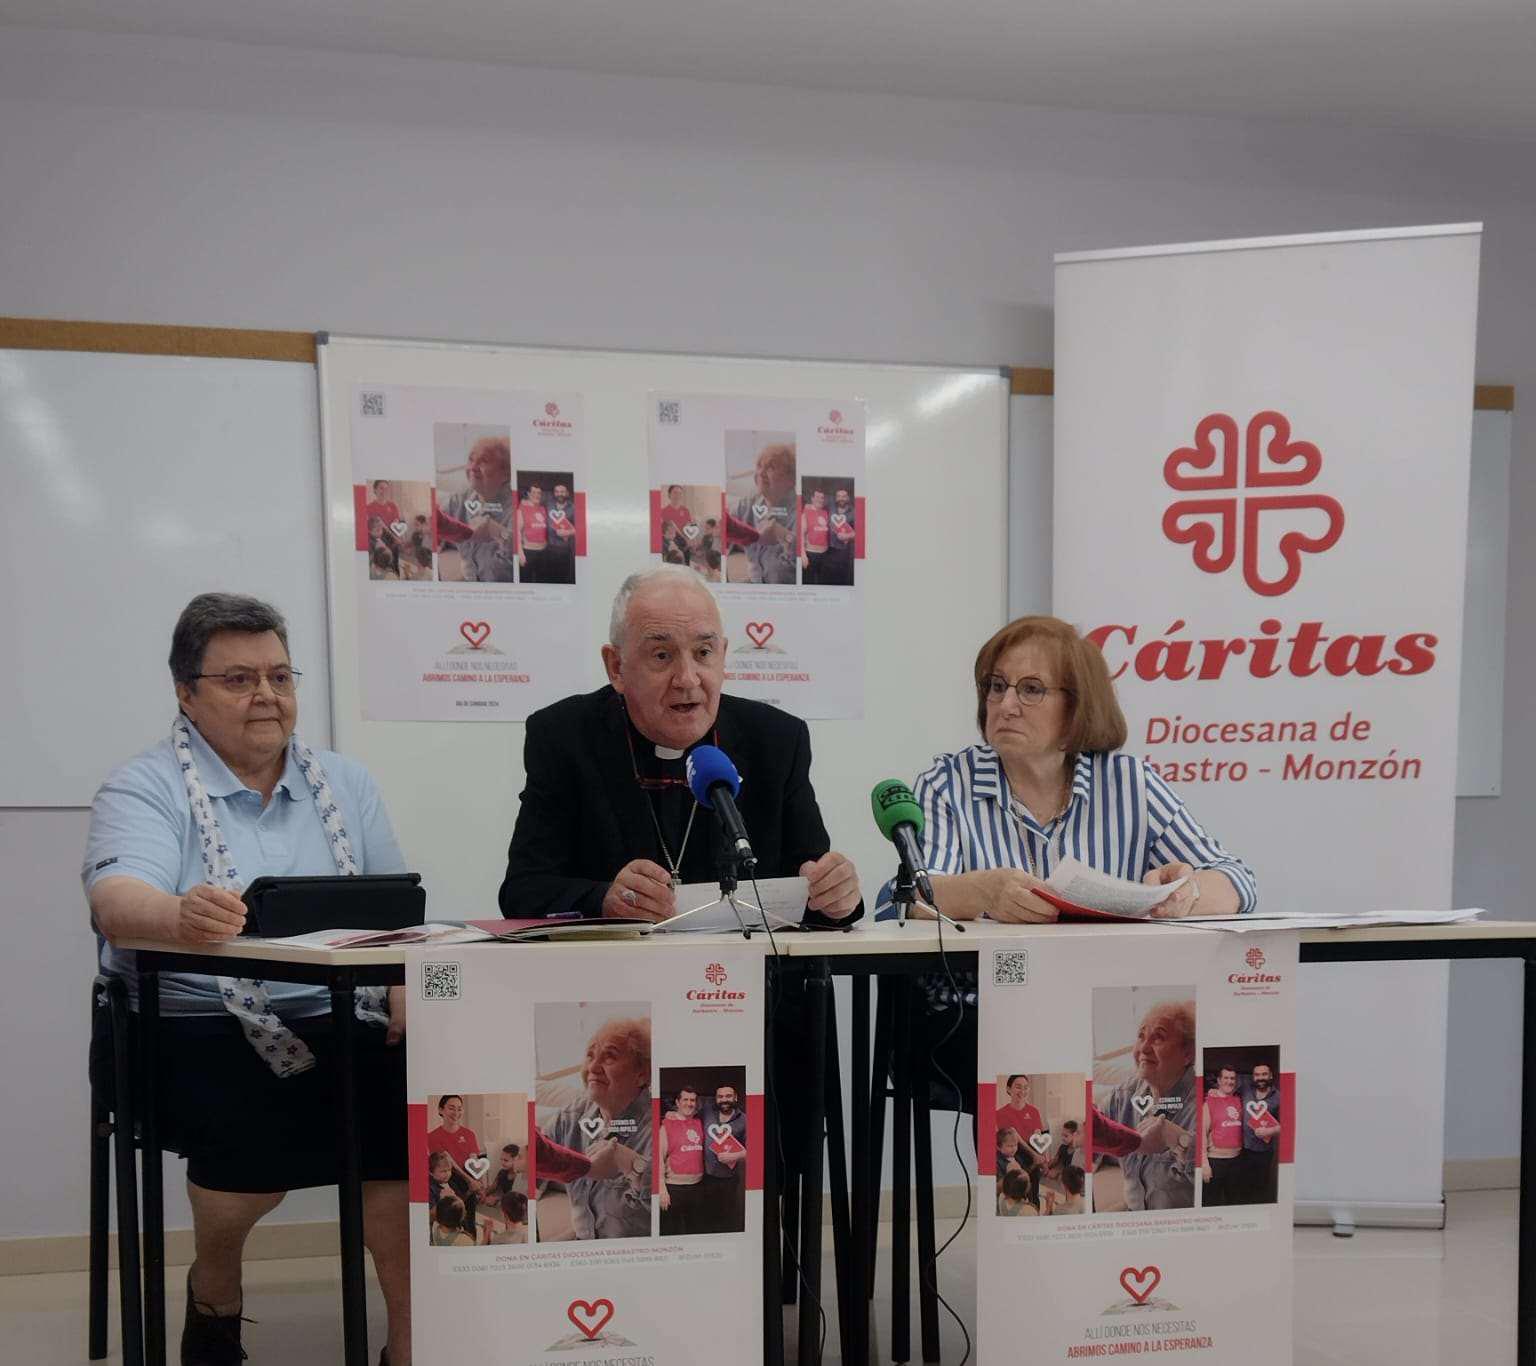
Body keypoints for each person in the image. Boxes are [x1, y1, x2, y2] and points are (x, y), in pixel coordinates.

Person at [83, 592, 412, 1366]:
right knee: (250, 1159)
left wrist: (404, 984)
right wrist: (177, 917)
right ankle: (217, 1290)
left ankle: (409, 1344)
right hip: (193, 1024)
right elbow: (115, 903)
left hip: (343, 1012)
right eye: (237, 680)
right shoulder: (145, 785)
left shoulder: (345, 781)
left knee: (410, 1142)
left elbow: (399, 906)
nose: (265, 695)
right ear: (186, 694)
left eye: (279, 675)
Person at [875, 615, 1256, 1108]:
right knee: (1047, 1052)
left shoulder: (1129, 783)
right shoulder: (950, 783)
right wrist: (984, 891)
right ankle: (1046, 1176)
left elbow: (1238, 880)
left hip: (1103, 1006)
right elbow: (916, 899)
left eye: (1030, 690)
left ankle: (1150, 1170)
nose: (1006, 704)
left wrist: (1187, 892)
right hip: (982, 1015)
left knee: (1176, 1043)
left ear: (1077, 708)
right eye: (996, 687)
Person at [498, 564, 861, 925]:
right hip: (615, 976)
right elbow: (523, 891)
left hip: (747, 975)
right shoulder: (564, 737)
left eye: (704, 653)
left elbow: (812, 888)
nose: (687, 679)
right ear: (616, 667)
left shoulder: (777, 741)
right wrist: (604, 899)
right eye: (662, 656)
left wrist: (836, 895)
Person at [540, 1016, 653, 1239]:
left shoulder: (658, 1125)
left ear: (642, 1074)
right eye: (590, 1056)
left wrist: (631, 1164)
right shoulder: (572, 1116)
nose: (592, 1067)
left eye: (609, 1057)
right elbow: (536, 1154)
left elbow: (675, 1211)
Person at [1098, 999, 1199, 1211]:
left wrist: (1176, 1139)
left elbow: (1217, 1178)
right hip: (1133, 1212)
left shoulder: (1204, 1101)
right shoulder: (1122, 1096)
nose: (1144, 1048)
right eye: (1141, 1036)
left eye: (1158, 1038)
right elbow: (1092, 1132)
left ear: (1188, 1053)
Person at [438, 436, 516, 582]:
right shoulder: (458, 501)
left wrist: (500, 533)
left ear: (506, 473)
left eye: (484, 461)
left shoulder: (517, 508)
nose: (473, 467)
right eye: (471, 459)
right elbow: (432, 522)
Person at [730, 443, 796, 584]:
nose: (760, 473)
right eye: (759, 466)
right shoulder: (747, 504)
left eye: (771, 467)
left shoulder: (800, 511)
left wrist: (785, 536)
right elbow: (722, 525)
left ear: (791, 479)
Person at [658, 1086, 708, 1236]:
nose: (689, 1103)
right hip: (674, 1188)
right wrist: (662, 1189)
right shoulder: (666, 1125)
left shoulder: (699, 1123)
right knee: (672, 1232)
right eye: (685, 1099)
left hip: (697, 1186)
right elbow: (659, 1158)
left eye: (692, 1100)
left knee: (695, 1230)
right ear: (677, 1102)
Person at [700, 1083, 748, 1233]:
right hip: (705, 1177)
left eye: (728, 1096)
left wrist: (734, 1155)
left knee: (728, 1218)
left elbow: (755, 1149)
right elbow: (687, 1113)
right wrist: (673, 1113)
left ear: (735, 1097)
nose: (724, 1099)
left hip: (729, 1179)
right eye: (720, 1097)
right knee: (706, 1218)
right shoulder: (707, 1111)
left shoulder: (745, 1120)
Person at [1200, 1066, 1246, 1205]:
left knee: (1234, 1201)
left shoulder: (1239, 1100)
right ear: (1219, 1081)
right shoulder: (1209, 1102)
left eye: (1232, 1078)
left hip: (1237, 1160)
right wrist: (1204, 1164)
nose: (1229, 1081)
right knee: (1211, 1202)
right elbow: (1201, 1133)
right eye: (1226, 1078)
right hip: (1215, 1161)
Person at [1239, 1062, 1283, 1202]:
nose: (1260, 1077)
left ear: (1270, 1075)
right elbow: (1225, 1091)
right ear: (1253, 1077)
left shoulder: (1279, 1097)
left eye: (1264, 1074)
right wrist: (1213, 1091)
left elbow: (1288, 1124)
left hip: (1264, 1151)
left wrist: (1269, 1130)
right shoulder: (1245, 1090)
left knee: (1260, 1187)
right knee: (1242, 1185)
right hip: (1243, 1149)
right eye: (1257, 1075)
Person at [997, 1075, 1045, 1149]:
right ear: (1008, 1089)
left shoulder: (1034, 1111)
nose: (1022, 1091)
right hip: (1014, 1153)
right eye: (1018, 1087)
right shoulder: (1000, 1114)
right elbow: (1008, 1142)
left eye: (1025, 1088)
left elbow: (1039, 1137)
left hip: (1034, 1150)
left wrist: (1043, 1156)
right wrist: (1034, 1155)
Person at [821, 487, 856, 586]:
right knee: (826, 578)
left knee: (841, 578)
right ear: (835, 498)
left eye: (844, 496)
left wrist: (847, 535)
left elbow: (859, 532)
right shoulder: (830, 507)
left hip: (843, 551)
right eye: (839, 496)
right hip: (827, 549)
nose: (841, 498)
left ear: (848, 498)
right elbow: (817, 507)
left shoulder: (854, 512)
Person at [545, 482, 578, 584]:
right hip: (548, 548)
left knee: (563, 578)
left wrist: (568, 532)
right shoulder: (548, 505)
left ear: (567, 493)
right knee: (548, 578)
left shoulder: (573, 508)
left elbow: (581, 528)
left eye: (562, 492)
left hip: (564, 549)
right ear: (554, 493)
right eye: (557, 492)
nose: (560, 494)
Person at [517, 482, 550, 583]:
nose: (537, 495)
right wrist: (520, 553)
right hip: (528, 552)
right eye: (534, 492)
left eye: (539, 493)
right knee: (526, 581)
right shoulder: (521, 509)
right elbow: (517, 531)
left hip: (543, 551)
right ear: (528, 494)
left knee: (542, 580)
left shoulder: (543, 508)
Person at [800, 487, 830, 584]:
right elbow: (801, 535)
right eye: (817, 497)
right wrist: (803, 555)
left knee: (822, 582)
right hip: (811, 554)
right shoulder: (805, 512)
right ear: (812, 498)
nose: (820, 500)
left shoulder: (826, 512)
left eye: (822, 498)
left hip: (825, 554)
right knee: (810, 582)